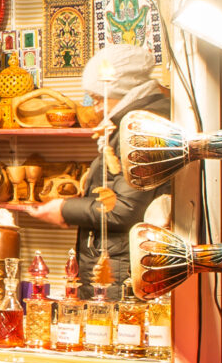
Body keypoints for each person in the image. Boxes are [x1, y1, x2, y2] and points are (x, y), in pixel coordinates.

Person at [10, 42, 174, 292]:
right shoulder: (128, 125)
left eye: (99, 98)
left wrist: (65, 209)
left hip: (121, 269)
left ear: (124, 90)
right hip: (118, 260)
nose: (96, 108)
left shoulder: (143, 128)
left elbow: (124, 208)